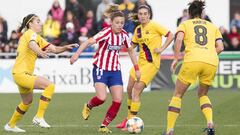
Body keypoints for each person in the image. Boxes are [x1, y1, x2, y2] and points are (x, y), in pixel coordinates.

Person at [70, 5, 140, 133]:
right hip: (101, 68)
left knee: (118, 100)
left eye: (122, 23)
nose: (120, 25)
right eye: (117, 23)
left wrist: (137, 68)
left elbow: (131, 51)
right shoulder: (105, 32)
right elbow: (87, 42)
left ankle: (103, 125)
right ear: (111, 23)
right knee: (102, 98)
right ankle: (89, 105)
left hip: (115, 71)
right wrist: (76, 54)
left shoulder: (124, 35)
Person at [4, 14, 77, 133]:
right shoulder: (30, 34)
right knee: (49, 86)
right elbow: (32, 45)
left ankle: (10, 125)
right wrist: (40, 52)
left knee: (27, 102)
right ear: (30, 24)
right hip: (22, 74)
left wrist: (66, 47)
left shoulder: (37, 37)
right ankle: (39, 117)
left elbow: (54, 49)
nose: (41, 23)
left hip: (19, 74)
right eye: (38, 21)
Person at [163, 1, 224, 135]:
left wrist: (176, 58)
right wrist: (209, 54)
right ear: (202, 13)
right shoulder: (213, 26)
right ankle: (210, 123)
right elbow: (220, 47)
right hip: (211, 61)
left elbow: (178, 39)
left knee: (178, 94)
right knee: (203, 94)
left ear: (189, 13)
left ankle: (169, 130)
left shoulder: (185, 24)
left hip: (192, 60)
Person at [116, 4, 174, 129]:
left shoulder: (154, 25)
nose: (142, 16)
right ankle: (128, 118)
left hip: (151, 64)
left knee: (136, 90)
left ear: (149, 15)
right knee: (130, 88)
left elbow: (171, 35)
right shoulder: (137, 30)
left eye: (145, 14)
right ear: (138, 15)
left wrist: (162, 48)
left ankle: (130, 122)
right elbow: (130, 46)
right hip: (140, 63)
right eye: (140, 14)